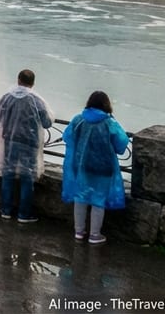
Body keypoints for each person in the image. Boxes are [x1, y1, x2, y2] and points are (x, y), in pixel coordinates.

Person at [62, 91, 129, 244]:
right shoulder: (110, 123)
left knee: (80, 197)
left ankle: (79, 231)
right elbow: (121, 145)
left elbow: (68, 137)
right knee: (98, 200)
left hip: (81, 166)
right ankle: (94, 234)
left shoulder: (79, 119)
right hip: (103, 168)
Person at [0, 69, 53, 222]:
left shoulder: (6, 97)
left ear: (18, 79)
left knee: (8, 174)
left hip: (9, 142)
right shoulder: (36, 100)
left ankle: (5, 210)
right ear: (33, 83)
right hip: (30, 143)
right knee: (27, 177)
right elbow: (47, 122)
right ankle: (24, 214)